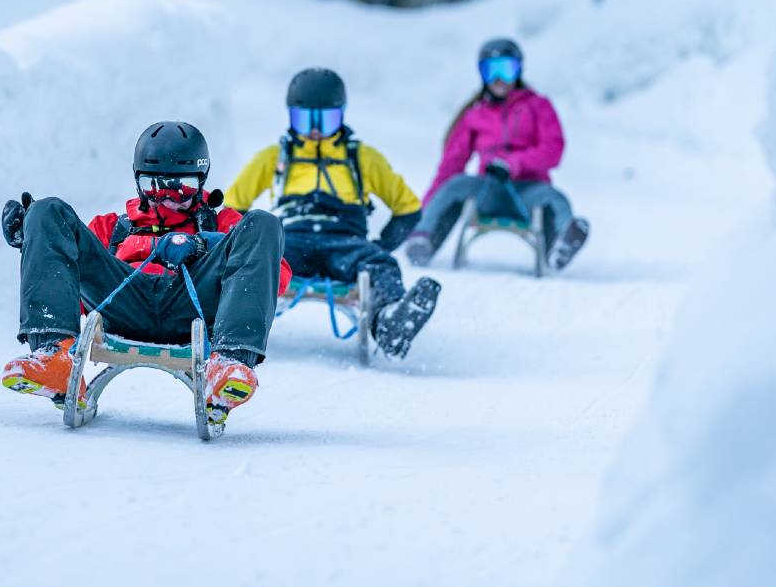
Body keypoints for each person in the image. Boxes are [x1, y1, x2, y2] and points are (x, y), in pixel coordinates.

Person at [0, 121, 291, 426]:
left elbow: (277, 275)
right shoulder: (112, 227)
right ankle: (53, 357)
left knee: (263, 222)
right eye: (155, 186)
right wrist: (35, 239)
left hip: (191, 306)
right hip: (124, 302)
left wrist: (203, 244)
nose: (167, 197)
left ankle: (231, 363)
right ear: (139, 182)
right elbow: (69, 279)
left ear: (201, 181)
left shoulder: (224, 224)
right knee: (48, 211)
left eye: (183, 188)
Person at [225, 68, 441, 359]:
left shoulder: (361, 158)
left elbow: (408, 208)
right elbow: (233, 207)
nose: (315, 130)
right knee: (256, 261)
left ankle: (390, 321)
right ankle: (232, 328)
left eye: (325, 121)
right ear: (291, 117)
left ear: (341, 115)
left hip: (344, 240)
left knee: (379, 264)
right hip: (292, 239)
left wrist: (380, 246)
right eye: (305, 120)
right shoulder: (275, 157)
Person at [403, 38, 590, 271]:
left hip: (528, 191)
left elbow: (553, 150)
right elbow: (451, 164)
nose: (499, 78)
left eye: (507, 69)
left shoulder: (538, 106)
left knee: (555, 198)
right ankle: (422, 238)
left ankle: (563, 242)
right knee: (454, 185)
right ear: (481, 74)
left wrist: (514, 164)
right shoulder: (475, 114)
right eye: (491, 70)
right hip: (487, 192)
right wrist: (426, 209)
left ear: (519, 70)